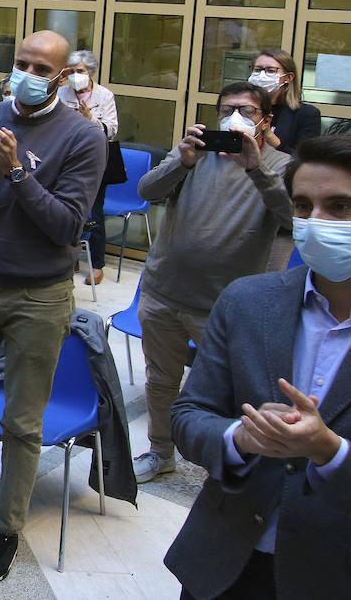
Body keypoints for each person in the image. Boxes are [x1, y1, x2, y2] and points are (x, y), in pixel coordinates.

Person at [0, 30, 106, 584]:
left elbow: (65, 226)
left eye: (41, 67)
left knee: (22, 422)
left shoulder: (83, 136)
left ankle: (5, 528)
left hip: (41, 293)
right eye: (22, 63)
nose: (28, 73)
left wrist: (15, 172)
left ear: (61, 76)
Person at [165, 134, 351, 599]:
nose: (316, 222)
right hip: (225, 564)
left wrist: (330, 451)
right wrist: (239, 437)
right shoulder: (248, 301)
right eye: (304, 206)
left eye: (340, 207)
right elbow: (189, 417)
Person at [133, 81, 292, 485]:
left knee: (238, 390)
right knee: (161, 380)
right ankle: (160, 451)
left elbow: (294, 220)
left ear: (266, 120)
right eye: (226, 110)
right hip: (164, 290)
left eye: (247, 111)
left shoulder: (281, 166)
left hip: (226, 306)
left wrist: (255, 169)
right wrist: (181, 161)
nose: (234, 117)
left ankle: (231, 463)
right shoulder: (194, 153)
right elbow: (147, 191)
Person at [253, 48, 320, 272]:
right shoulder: (246, 109)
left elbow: (305, 161)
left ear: (288, 77)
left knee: (269, 276)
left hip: (280, 205)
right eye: (257, 69)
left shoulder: (305, 114)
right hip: (245, 202)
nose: (262, 75)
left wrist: (272, 138)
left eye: (270, 70)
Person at [58, 50, 119, 286]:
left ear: (90, 72)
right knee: (66, 206)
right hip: (66, 158)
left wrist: (89, 119)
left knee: (94, 211)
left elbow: (112, 129)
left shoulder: (104, 95)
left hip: (96, 160)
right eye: (72, 71)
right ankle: (69, 256)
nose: (76, 76)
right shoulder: (61, 93)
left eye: (80, 71)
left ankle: (97, 264)